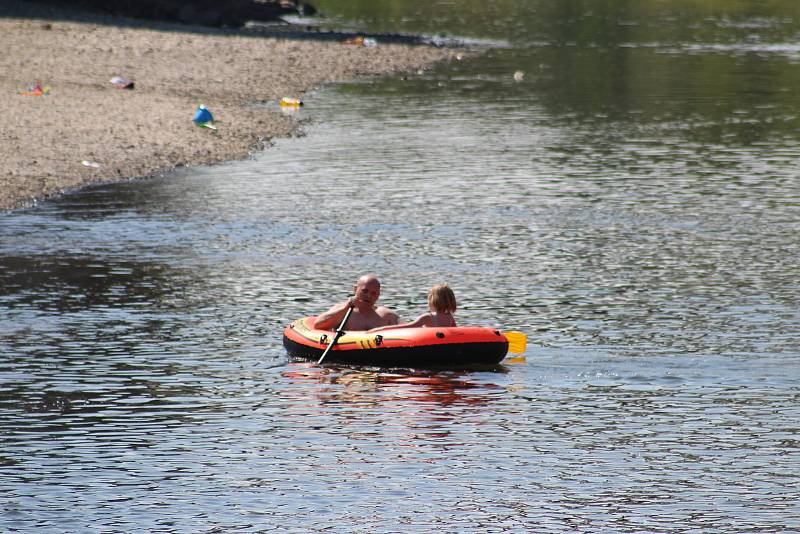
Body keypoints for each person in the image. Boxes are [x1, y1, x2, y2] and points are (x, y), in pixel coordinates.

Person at [313, 274, 399, 331]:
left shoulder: (387, 315)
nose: (369, 296)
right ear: (355, 290)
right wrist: (345, 308)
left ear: (378, 295)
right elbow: (318, 325)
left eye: (373, 293)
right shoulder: (344, 310)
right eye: (365, 291)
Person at [369, 283, 457, 332]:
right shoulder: (449, 317)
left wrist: (380, 329)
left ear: (432, 300)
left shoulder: (427, 317)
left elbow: (408, 327)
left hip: (421, 339)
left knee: (398, 321)